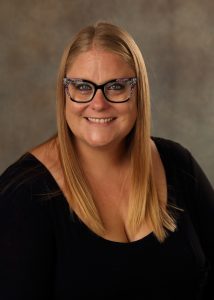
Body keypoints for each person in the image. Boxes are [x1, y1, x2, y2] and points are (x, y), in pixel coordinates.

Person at [0, 21, 213, 300]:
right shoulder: (22, 193)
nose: (98, 103)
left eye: (116, 86)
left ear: (139, 92)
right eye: (81, 86)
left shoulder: (177, 164)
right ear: (64, 92)